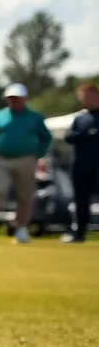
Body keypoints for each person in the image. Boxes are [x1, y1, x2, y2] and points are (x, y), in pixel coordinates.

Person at [0, 83, 52, 243]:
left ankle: (21, 229)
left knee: (24, 197)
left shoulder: (35, 117)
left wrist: (37, 154)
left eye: (16, 98)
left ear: (24, 99)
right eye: (10, 98)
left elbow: (46, 138)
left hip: (26, 160)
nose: (12, 101)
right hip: (2, 160)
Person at [63, 82, 99, 243]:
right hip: (80, 165)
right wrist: (88, 134)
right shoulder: (80, 118)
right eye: (81, 97)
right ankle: (79, 233)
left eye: (86, 96)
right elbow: (69, 137)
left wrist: (85, 135)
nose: (83, 100)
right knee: (80, 200)